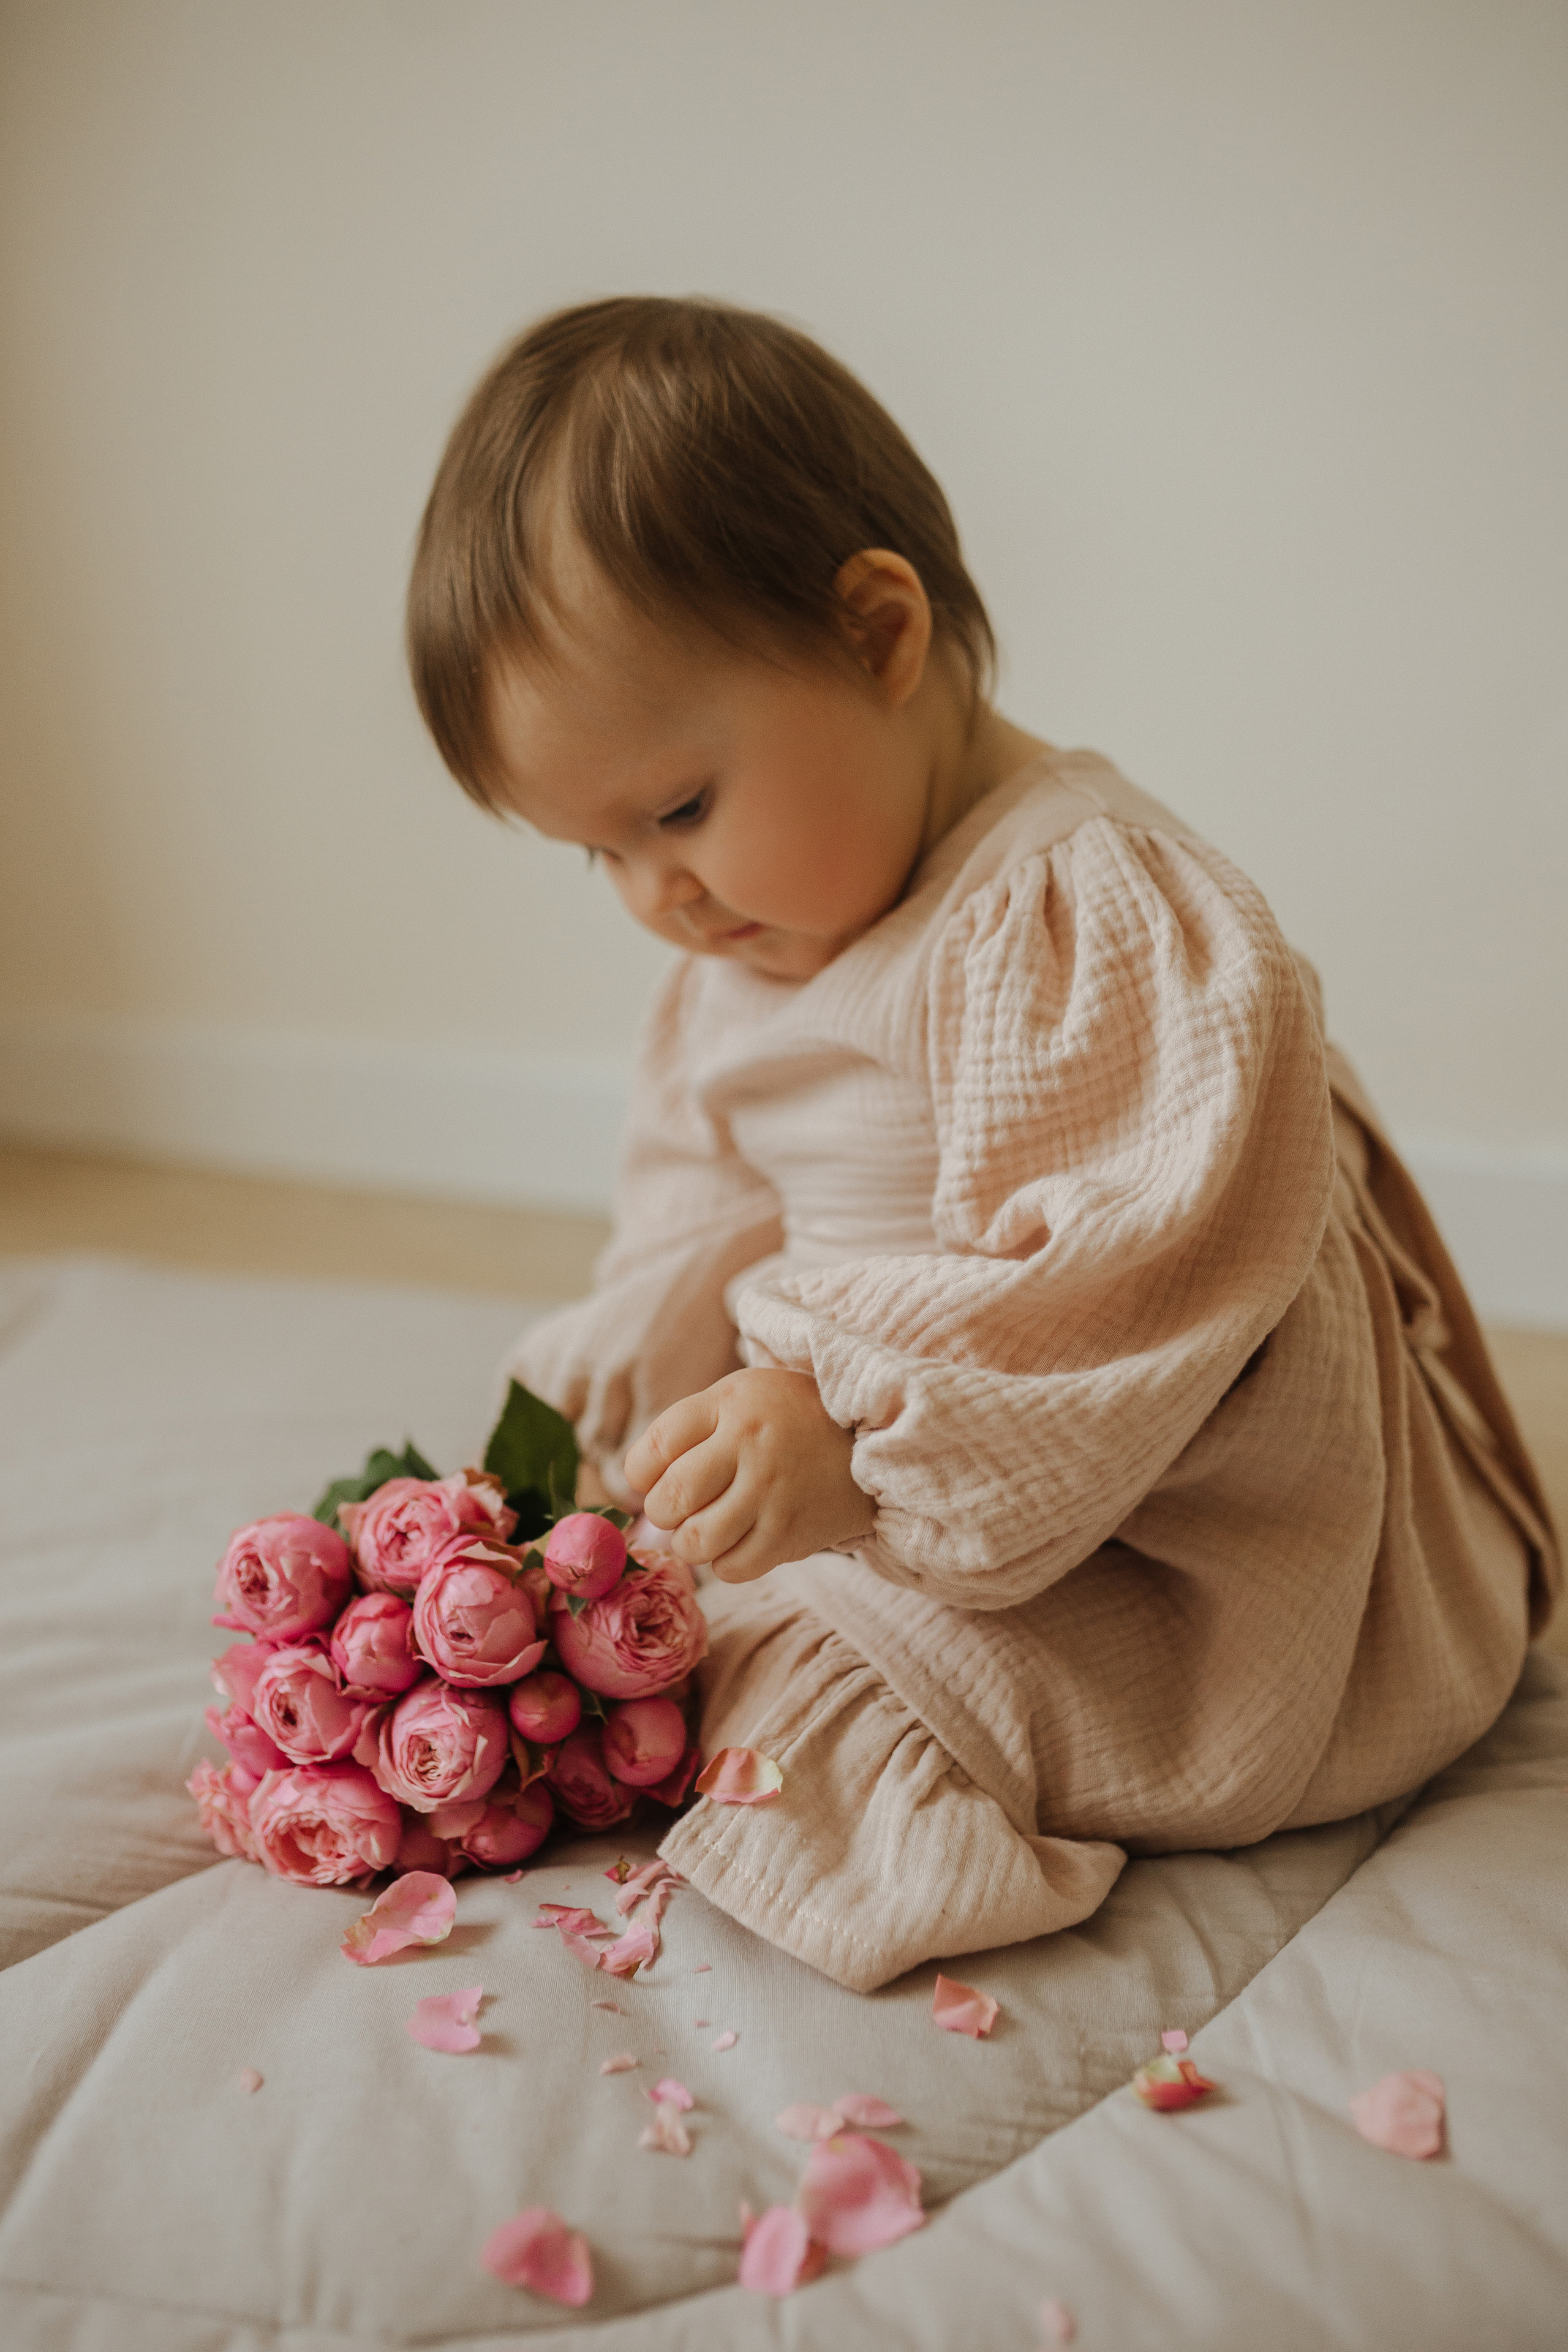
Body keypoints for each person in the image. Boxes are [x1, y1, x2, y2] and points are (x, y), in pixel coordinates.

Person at [405, 295, 1558, 1991]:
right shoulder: (743, 947)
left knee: (803, 1672)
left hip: (1166, 1525)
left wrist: (847, 1426)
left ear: (880, 634)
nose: (660, 896)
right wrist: (607, 1431)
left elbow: (1121, 1290)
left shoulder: (1083, 909)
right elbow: (694, 1227)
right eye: (600, 855)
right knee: (624, 1608)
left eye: (678, 810)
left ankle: (929, 1812)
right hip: (922, 1480)